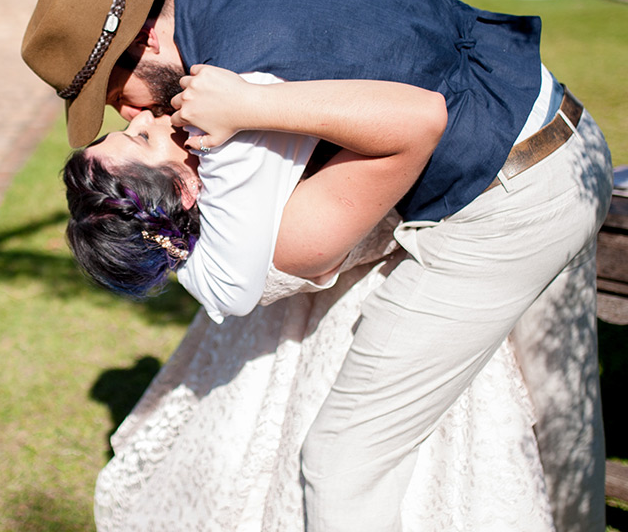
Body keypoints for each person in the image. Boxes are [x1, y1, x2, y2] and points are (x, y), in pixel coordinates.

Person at [22, 0, 612, 530]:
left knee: (341, 462)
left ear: (144, 42)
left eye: (115, 94)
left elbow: (413, 116)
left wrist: (254, 106)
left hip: (513, 201)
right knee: (563, 402)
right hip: (562, 128)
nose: (132, 111)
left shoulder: (241, 86)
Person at [65, 73, 554, 530]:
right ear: (185, 189)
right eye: (142, 138)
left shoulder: (226, 188)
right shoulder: (281, 230)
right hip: (395, 297)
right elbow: (411, 132)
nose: (141, 117)